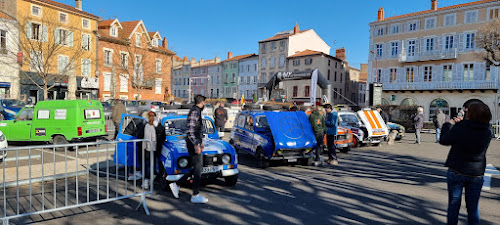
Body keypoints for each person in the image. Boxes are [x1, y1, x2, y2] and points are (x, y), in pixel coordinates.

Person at [439, 103, 492, 225]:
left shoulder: (461, 127)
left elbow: (444, 140)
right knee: (473, 208)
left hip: (457, 169)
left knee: (454, 205)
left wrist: (448, 124)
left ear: (470, 114)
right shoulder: (487, 131)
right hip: (476, 173)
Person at [169, 95, 208, 204]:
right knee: (197, 169)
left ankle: (177, 184)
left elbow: (196, 130)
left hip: (195, 143)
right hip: (193, 144)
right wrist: (196, 144)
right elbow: (190, 130)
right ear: (202, 102)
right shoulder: (195, 111)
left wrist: (200, 143)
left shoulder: (196, 111)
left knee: (197, 168)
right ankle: (195, 195)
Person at [138, 111, 166, 189]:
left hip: (145, 149)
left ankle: (146, 181)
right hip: (155, 149)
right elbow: (163, 137)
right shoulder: (159, 126)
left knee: (146, 165)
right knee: (153, 164)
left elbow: (139, 137)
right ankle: (153, 178)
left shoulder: (143, 125)